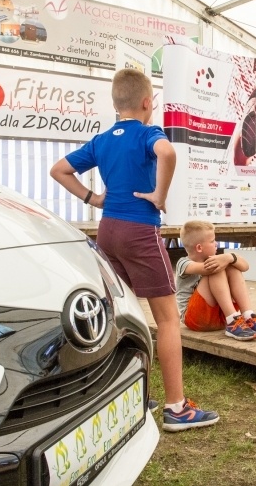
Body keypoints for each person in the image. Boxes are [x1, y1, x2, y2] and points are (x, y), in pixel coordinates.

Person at [50, 68, 218, 432]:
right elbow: (167, 152)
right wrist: (159, 195)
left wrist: (93, 198)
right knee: (168, 319)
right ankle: (177, 408)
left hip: (107, 230)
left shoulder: (103, 140)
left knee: (123, 315)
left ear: (115, 104)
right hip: (140, 231)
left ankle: (130, 397)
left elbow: (59, 170)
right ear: (147, 103)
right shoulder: (149, 133)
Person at [176, 220, 256, 340]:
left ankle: (248, 315)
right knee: (216, 268)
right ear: (199, 247)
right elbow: (206, 269)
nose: (216, 243)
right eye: (212, 241)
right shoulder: (183, 263)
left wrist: (230, 257)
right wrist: (225, 260)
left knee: (231, 266)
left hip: (220, 317)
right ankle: (232, 319)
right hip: (195, 319)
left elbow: (245, 267)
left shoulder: (216, 259)